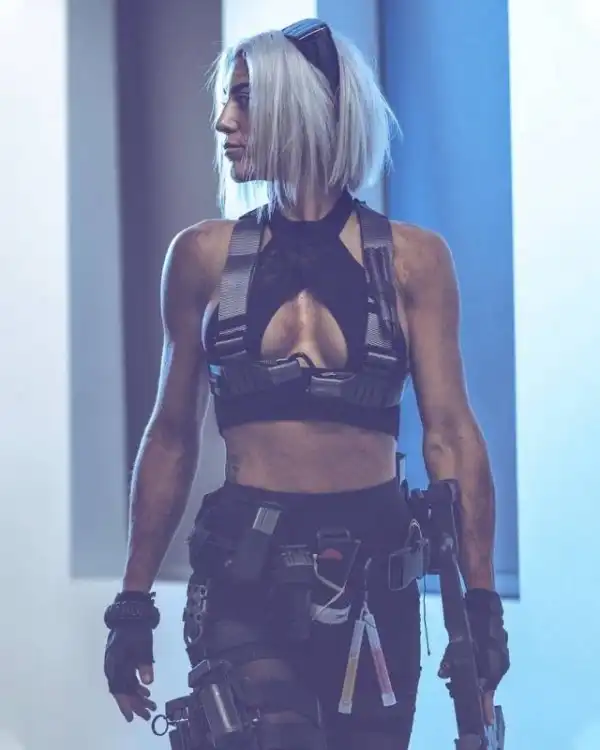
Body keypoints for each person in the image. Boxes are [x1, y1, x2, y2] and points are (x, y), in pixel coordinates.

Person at [103, 18, 509, 750]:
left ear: (301, 109)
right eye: (227, 101)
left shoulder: (413, 261)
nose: (224, 122)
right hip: (245, 575)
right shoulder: (202, 257)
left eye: (246, 100)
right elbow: (170, 436)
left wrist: (481, 606)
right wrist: (132, 604)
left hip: (376, 578)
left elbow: (451, 436)